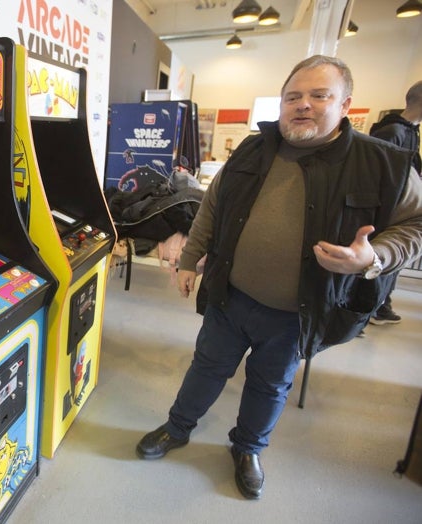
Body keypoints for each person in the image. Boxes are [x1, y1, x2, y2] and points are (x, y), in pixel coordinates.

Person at [135, 55, 422, 500]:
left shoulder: (382, 163)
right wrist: (190, 260)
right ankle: (177, 427)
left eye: (318, 95)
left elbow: (417, 226)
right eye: (293, 96)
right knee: (206, 368)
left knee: (270, 384)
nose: (302, 105)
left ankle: (248, 449)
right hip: (231, 297)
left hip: (298, 312)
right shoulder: (254, 148)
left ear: (345, 104)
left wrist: (375, 255)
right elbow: (213, 206)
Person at [366, 80, 422, 325]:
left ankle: (379, 305)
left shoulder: (410, 132)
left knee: (390, 260)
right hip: (383, 212)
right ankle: (368, 308)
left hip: (401, 211)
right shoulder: (392, 133)